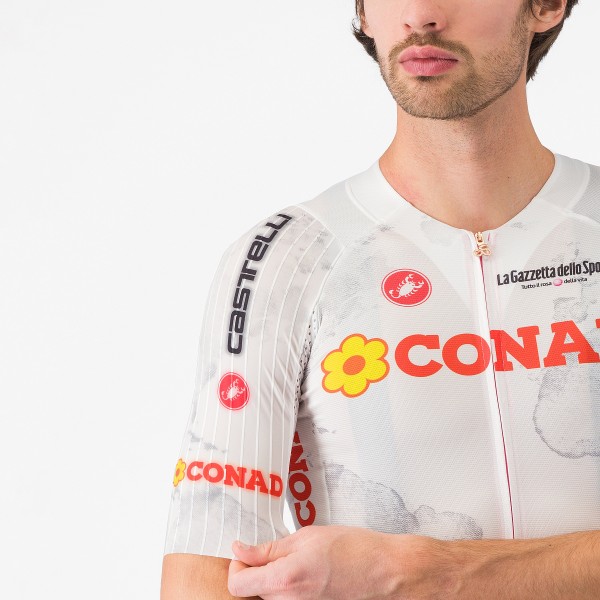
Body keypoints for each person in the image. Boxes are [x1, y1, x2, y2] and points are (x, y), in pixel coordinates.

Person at [161, 1, 600, 598]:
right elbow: (203, 581)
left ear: (545, 5)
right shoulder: (283, 261)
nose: (419, 15)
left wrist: (427, 573)